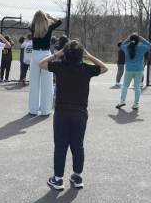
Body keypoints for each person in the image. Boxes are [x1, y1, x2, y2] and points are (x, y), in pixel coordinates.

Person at [39, 40, 108, 190]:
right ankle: (77, 176)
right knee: (78, 146)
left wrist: (58, 53)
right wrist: (89, 56)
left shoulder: (59, 67)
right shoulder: (86, 69)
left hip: (62, 113)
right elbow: (104, 68)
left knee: (60, 146)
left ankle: (58, 179)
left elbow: (41, 64)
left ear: (65, 54)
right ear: (81, 55)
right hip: (80, 114)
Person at [29, 11, 62, 116]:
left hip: (34, 55)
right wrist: (50, 17)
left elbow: (31, 24)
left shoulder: (32, 27)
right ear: (44, 19)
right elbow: (60, 22)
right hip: (45, 55)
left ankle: (33, 109)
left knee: (34, 84)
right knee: (47, 84)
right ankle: (45, 110)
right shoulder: (49, 27)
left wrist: (38, 18)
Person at [116, 34, 151, 110]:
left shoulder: (126, 47)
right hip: (139, 70)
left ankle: (122, 101)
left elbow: (121, 45)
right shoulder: (142, 47)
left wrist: (127, 39)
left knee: (125, 86)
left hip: (129, 70)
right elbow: (150, 45)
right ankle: (136, 104)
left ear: (130, 40)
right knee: (137, 87)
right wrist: (142, 39)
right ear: (138, 40)